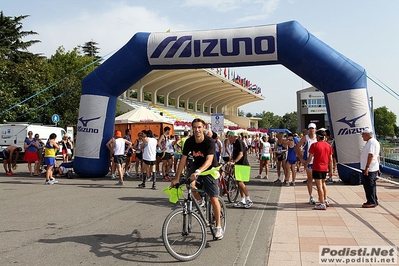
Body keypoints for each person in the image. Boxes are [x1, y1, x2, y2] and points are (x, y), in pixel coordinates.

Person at [170, 118, 224, 240]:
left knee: (213, 197)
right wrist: (177, 178)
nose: (197, 130)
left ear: (203, 128)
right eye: (194, 127)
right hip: (196, 165)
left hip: (210, 169)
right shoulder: (189, 142)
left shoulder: (209, 141)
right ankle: (200, 201)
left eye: (199, 127)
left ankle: (219, 227)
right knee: (189, 184)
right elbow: (183, 159)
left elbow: (209, 160)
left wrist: (199, 171)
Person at [305, 130, 333, 210]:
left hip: (317, 167)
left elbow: (310, 157)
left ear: (318, 137)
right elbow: (330, 160)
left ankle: (322, 203)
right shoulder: (328, 146)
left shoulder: (314, 145)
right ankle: (325, 199)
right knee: (323, 183)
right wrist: (331, 170)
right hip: (325, 168)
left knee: (319, 185)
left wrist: (306, 164)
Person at [227, 130, 253, 209]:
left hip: (243, 165)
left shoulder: (239, 142)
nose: (228, 139)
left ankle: (248, 199)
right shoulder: (235, 143)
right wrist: (232, 160)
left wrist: (234, 161)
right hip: (239, 165)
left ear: (232, 136)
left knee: (241, 183)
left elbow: (241, 154)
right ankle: (243, 200)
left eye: (228, 137)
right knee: (239, 183)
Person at [295, 123, 318, 204]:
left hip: (317, 161)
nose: (311, 130)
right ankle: (311, 196)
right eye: (310, 128)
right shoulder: (305, 138)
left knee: (319, 180)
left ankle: (322, 197)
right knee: (310, 179)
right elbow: (297, 147)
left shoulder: (318, 138)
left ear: (315, 129)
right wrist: (301, 158)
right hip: (309, 162)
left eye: (313, 128)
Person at [360, 128, 381, 208]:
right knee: (371, 185)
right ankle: (373, 200)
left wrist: (367, 167)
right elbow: (377, 156)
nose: (362, 137)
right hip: (372, 167)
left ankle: (371, 201)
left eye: (363, 135)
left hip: (370, 168)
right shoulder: (372, 142)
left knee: (369, 185)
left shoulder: (371, 142)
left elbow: (371, 155)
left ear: (367, 135)